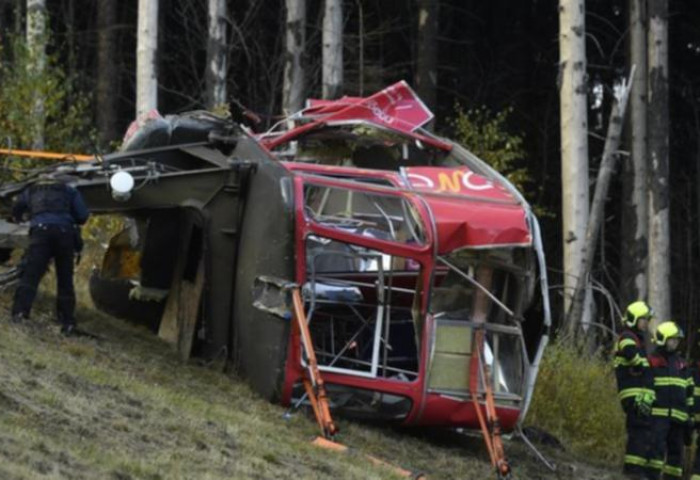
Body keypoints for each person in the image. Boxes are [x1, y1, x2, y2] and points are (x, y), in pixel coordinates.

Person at [11, 174, 89, 335]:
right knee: (65, 279)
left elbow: (17, 209)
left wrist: (23, 218)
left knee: (31, 274)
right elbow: (82, 216)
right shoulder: (69, 190)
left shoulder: (31, 190)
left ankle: (20, 313)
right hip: (65, 234)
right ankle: (66, 322)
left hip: (40, 232)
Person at [614, 300, 657, 479]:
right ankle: (633, 470)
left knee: (642, 429)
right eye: (643, 319)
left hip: (639, 392)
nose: (646, 323)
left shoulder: (637, 338)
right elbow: (632, 356)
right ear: (634, 319)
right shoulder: (627, 336)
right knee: (639, 428)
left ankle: (635, 468)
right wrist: (641, 364)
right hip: (633, 392)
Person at [647, 321, 694, 479]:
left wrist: (690, 417)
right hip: (658, 416)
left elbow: (689, 392)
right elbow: (645, 386)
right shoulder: (652, 361)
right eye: (672, 339)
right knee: (655, 451)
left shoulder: (681, 364)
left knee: (676, 456)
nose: (675, 343)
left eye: (676, 340)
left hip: (679, 419)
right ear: (663, 339)